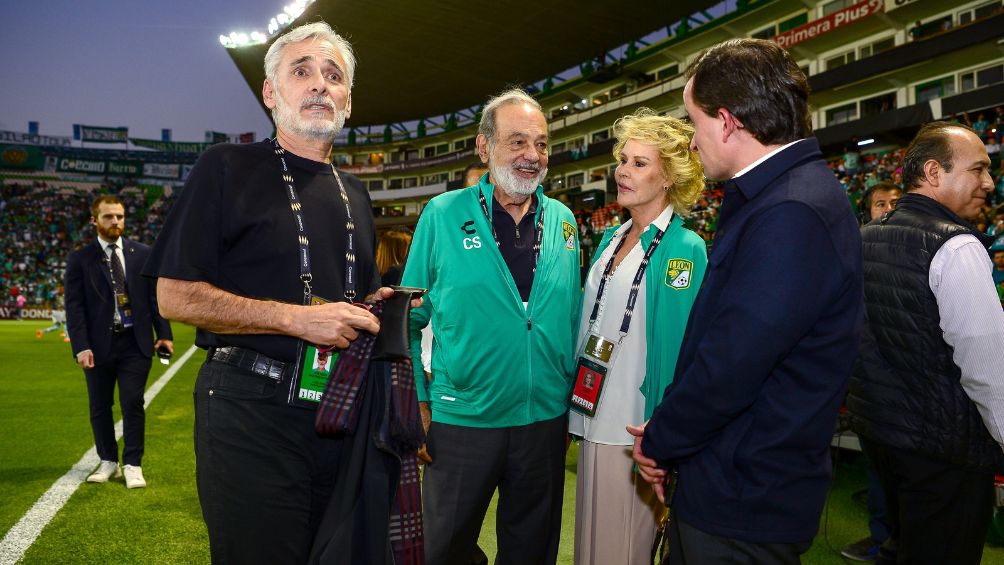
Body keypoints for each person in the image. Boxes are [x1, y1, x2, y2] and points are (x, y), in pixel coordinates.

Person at [143, 22, 407, 563]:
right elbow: (172, 296)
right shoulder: (226, 166)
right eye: (302, 71)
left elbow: (347, 307)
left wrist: (381, 307)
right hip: (247, 410)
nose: (319, 85)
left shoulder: (356, 192)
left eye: (333, 76)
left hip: (337, 412)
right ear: (271, 92)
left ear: (348, 101)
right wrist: (296, 319)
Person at [629, 38, 863, 564]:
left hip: (745, 495)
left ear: (729, 122)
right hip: (735, 477)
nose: (691, 142)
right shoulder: (778, 196)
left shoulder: (791, 211)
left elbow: (733, 363)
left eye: (695, 123)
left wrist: (662, 438)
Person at [402, 88, 581, 565]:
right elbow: (406, 318)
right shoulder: (442, 215)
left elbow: (569, 318)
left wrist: (566, 402)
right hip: (463, 420)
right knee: (440, 549)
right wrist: (417, 399)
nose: (532, 156)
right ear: (484, 148)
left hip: (542, 422)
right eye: (517, 142)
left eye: (541, 144)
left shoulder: (564, 220)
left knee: (531, 551)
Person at [847, 122, 1004, 565]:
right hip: (944, 449)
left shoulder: (862, 239)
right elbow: (988, 368)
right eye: (979, 170)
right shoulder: (955, 247)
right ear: (934, 173)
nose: (989, 184)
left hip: (882, 436)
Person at [570, 108, 707, 565]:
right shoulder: (611, 238)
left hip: (637, 424)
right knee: (591, 544)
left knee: (624, 548)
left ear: (669, 176)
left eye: (639, 163)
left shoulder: (685, 248)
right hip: (590, 414)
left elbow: (686, 347)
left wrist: (666, 427)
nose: (622, 172)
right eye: (622, 160)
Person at [65, 195, 174, 488]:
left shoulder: (143, 254)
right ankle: (108, 460)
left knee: (132, 402)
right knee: (100, 406)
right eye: (109, 217)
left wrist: (164, 333)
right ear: (94, 220)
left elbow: (154, 299)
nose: (116, 222)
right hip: (97, 346)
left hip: (135, 343)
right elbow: (73, 307)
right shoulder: (80, 258)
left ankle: (133, 463)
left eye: (120, 217)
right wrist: (81, 346)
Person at [841, 179, 903, 561]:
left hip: (910, 386)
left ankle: (902, 541)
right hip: (870, 385)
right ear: (868, 211)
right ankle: (882, 541)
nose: (889, 208)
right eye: (881, 203)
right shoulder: (855, 250)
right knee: (879, 470)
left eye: (896, 201)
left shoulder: (924, 246)